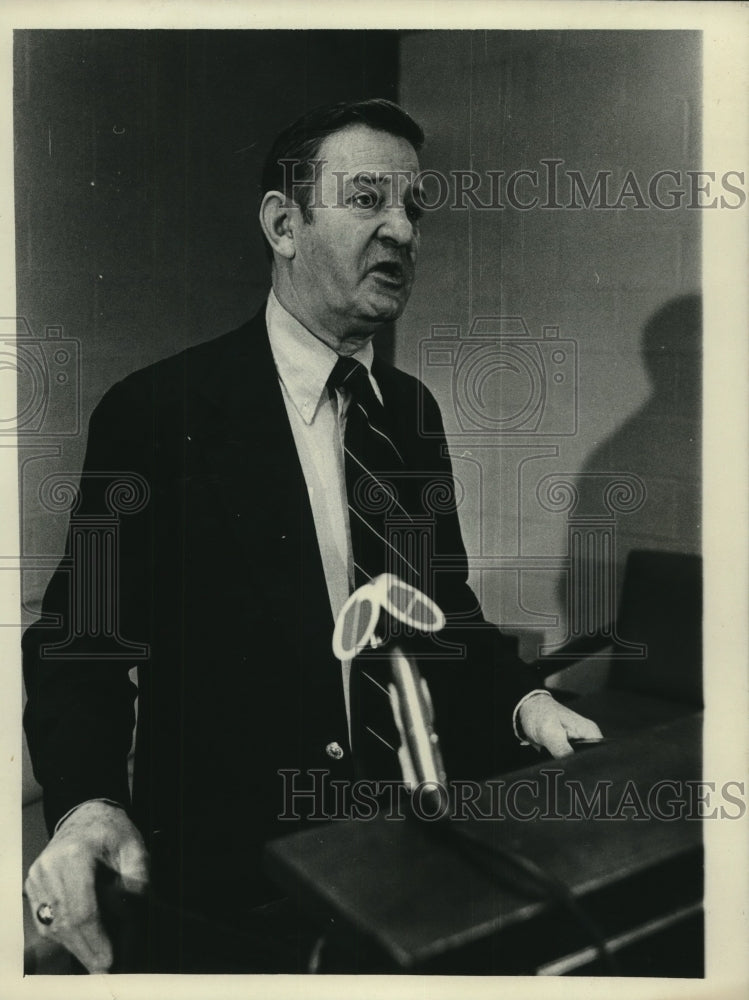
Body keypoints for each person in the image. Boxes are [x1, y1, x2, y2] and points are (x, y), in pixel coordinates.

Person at [22, 98, 602, 974]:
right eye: (369, 200)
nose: (401, 230)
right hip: (238, 888)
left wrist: (527, 704)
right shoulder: (157, 412)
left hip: (411, 865)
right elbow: (81, 643)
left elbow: (439, 618)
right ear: (283, 223)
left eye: (414, 207)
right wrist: (88, 805)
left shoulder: (408, 414)